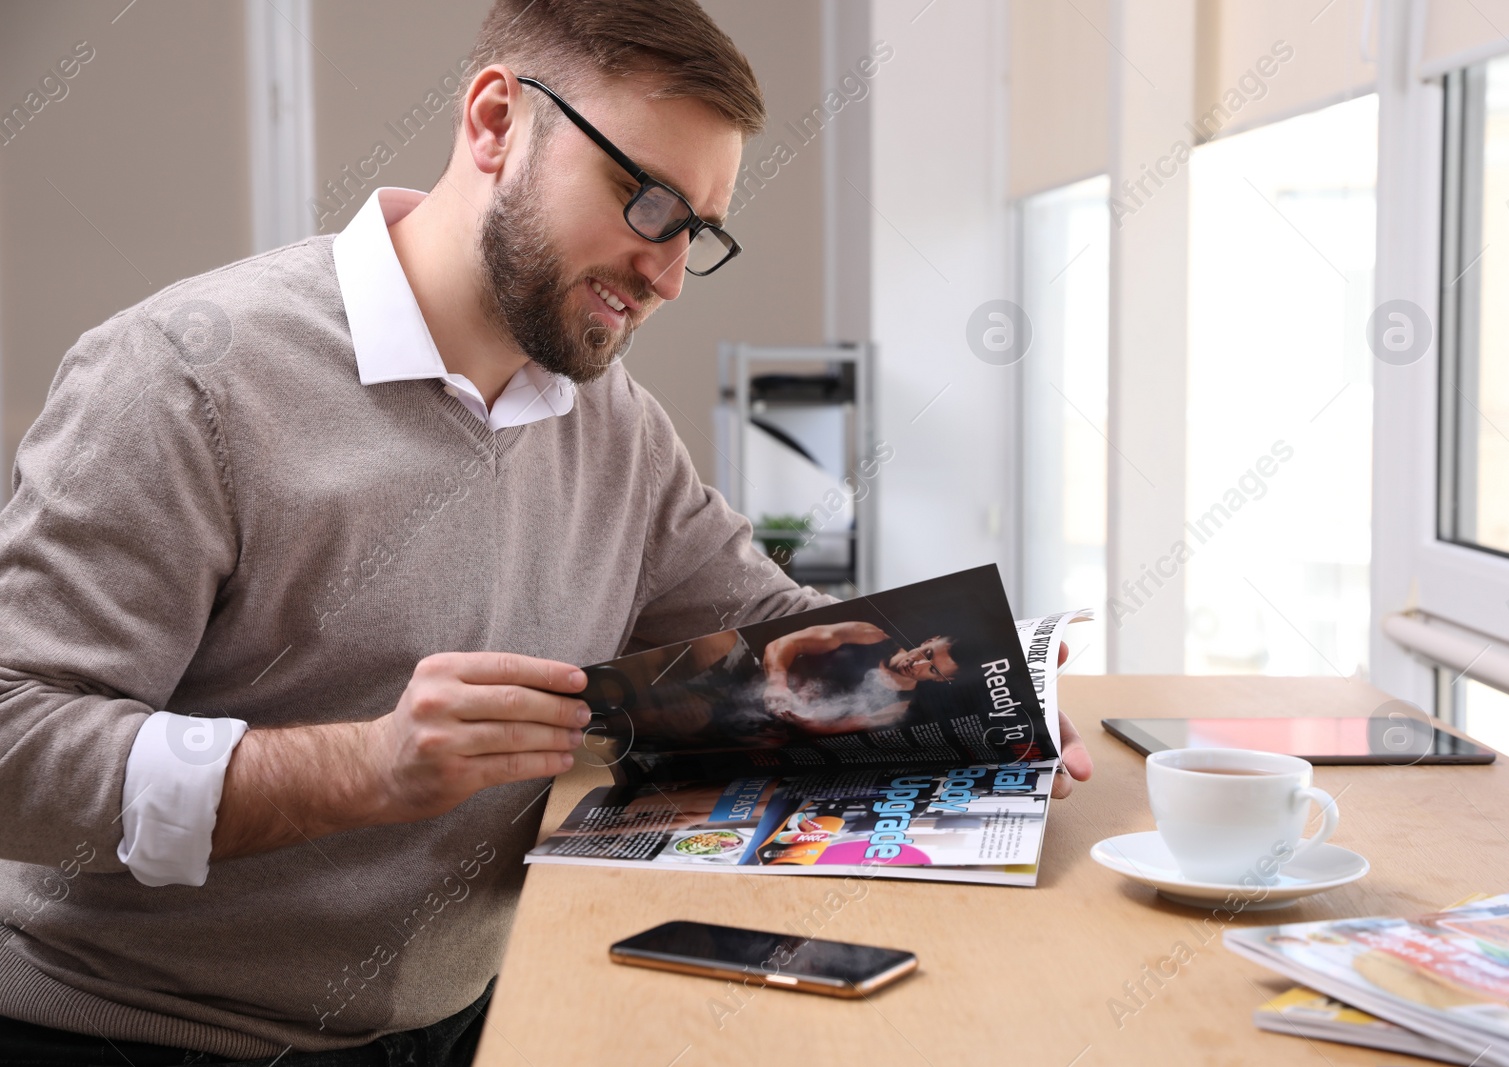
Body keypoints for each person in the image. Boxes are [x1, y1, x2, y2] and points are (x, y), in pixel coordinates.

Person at [0, 1, 1093, 1064]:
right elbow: (15, 743)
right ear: (492, 122)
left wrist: (987, 700)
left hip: (463, 1016)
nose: (666, 276)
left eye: (696, 232)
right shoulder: (184, 375)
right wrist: (368, 766)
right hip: (129, 1027)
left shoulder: (610, 423)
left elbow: (769, 625)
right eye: (647, 203)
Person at [759, 621, 963, 736]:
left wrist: (810, 723)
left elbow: (833, 728)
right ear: (929, 641)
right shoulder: (868, 635)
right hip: (759, 681)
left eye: (933, 670)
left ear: (940, 680)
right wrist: (777, 684)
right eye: (927, 654)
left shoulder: (899, 708)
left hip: (771, 729)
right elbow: (785, 643)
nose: (917, 665)